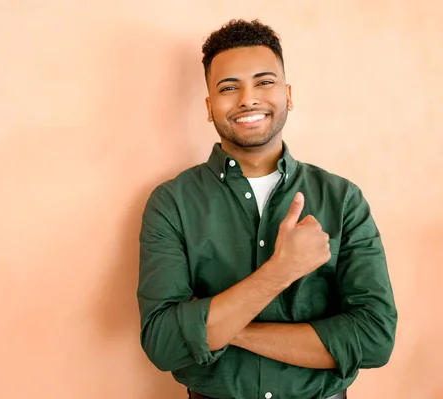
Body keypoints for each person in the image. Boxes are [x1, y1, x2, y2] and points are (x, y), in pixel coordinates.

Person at [136, 19, 397, 399]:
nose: (248, 99)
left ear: (287, 95)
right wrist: (280, 272)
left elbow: (374, 339)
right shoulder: (171, 203)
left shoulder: (343, 200)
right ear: (210, 107)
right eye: (229, 88)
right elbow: (163, 343)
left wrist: (222, 328)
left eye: (264, 82)